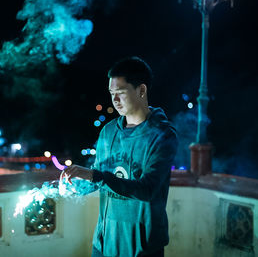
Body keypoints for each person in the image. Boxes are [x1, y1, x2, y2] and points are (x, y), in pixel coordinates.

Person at [60, 56, 178, 257]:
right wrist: (75, 186)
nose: (114, 101)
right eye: (111, 93)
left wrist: (95, 176)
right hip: (104, 243)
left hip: (141, 247)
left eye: (121, 93)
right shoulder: (108, 132)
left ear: (141, 90)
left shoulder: (162, 135)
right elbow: (99, 178)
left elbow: (148, 189)